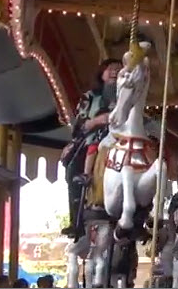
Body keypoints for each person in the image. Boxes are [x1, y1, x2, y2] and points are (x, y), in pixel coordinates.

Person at [60, 58, 122, 237]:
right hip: (93, 136)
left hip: (119, 137)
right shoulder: (90, 97)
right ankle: (76, 220)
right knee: (72, 166)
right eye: (110, 69)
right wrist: (96, 121)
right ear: (101, 74)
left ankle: (139, 216)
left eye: (118, 69)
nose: (115, 72)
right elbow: (79, 124)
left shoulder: (126, 95)